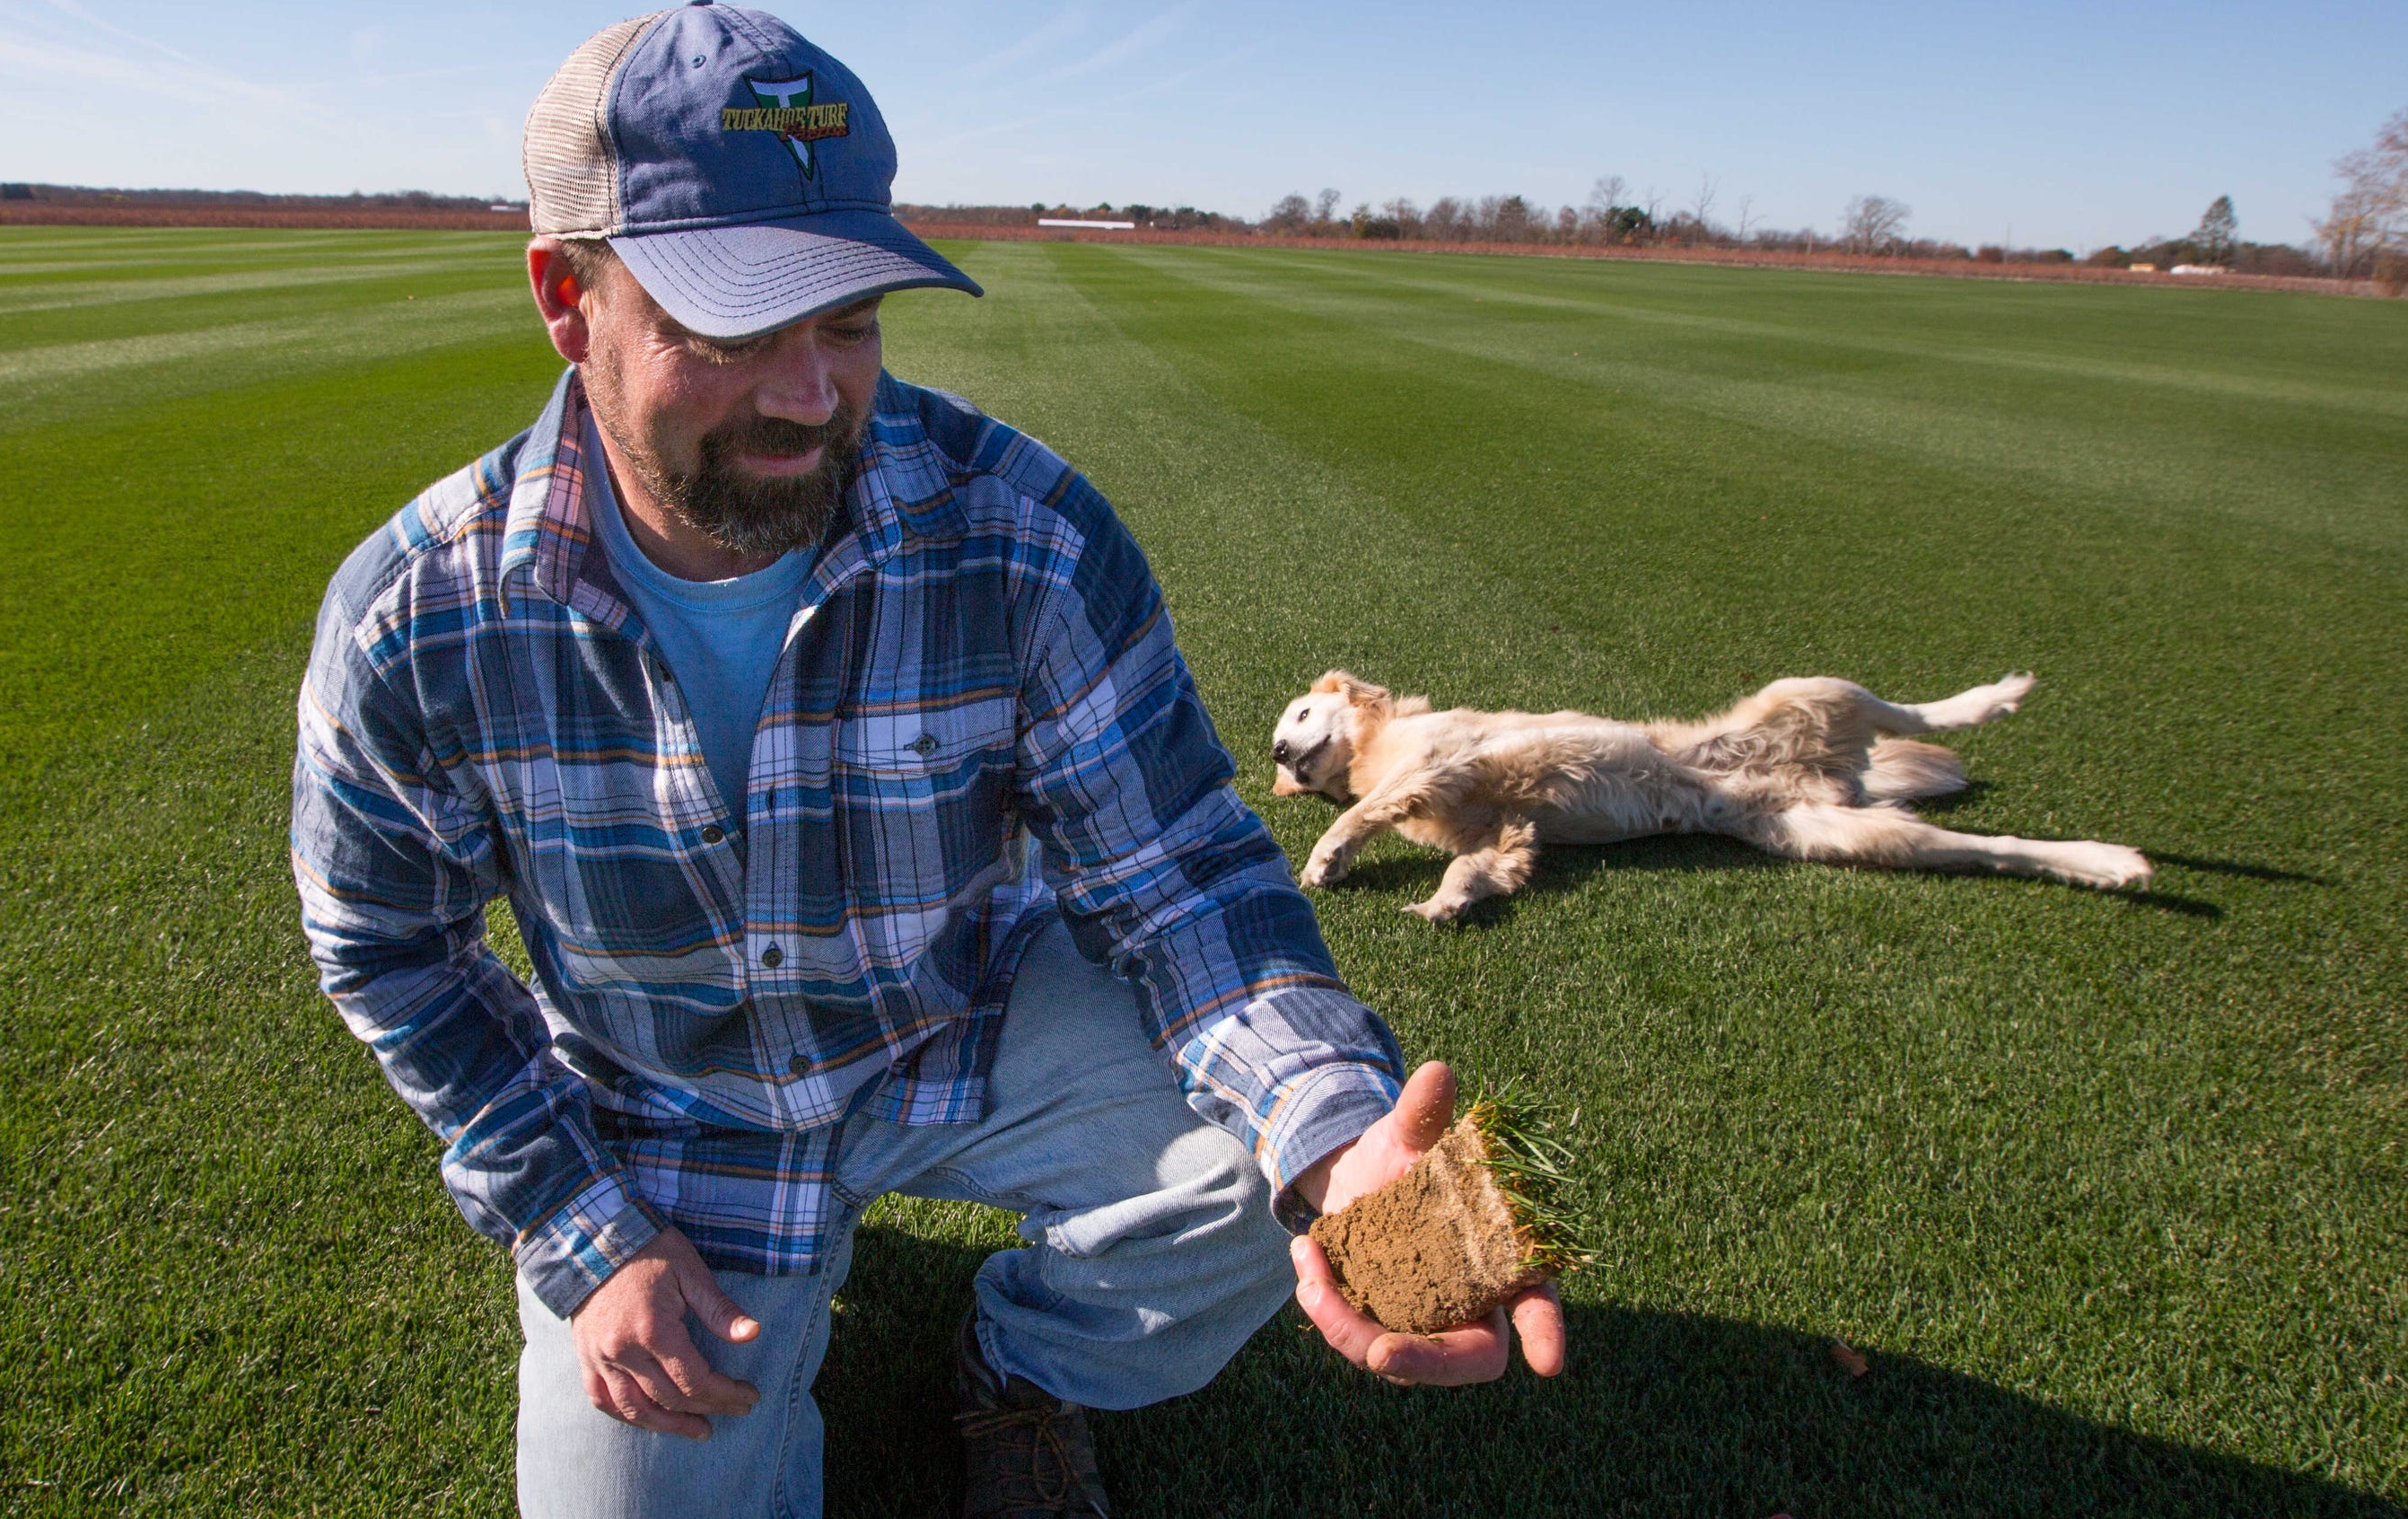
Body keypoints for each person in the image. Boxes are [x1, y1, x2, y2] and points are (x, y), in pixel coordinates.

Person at [290, 5, 1563, 1515]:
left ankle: (1022, 1367)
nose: (809, 394)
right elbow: (389, 950)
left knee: (1247, 1178)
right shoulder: (422, 614)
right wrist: (587, 1229)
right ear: (569, 299)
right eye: (734, 327)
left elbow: (1177, 878)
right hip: (662, 1107)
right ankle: (748, 1268)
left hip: (957, 1024)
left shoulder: (1018, 530)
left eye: (847, 319)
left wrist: (1335, 1139)